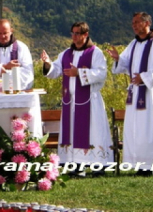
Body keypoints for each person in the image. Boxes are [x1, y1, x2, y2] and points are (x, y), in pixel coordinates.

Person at [108, 12, 153, 176]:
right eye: (132, 22)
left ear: (146, 23)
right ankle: (143, 166)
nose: (133, 25)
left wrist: (145, 77)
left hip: (152, 92)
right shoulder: (133, 44)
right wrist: (118, 59)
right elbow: (125, 64)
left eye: (136, 22)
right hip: (136, 93)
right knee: (138, 130)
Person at [40, 22, 113, 176]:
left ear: (85, 34)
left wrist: (78, 73)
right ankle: (75, 165)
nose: (74, 36)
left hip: (90, 102)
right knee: (72, 133)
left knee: (93, 132)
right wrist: (47, 64)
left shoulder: (95, 53)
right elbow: (55, 71)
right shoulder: (66, 53)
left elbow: (101, 73)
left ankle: (97, 165)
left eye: (77, 33)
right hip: (71, 103)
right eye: (72, 33)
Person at [0, 19, 34, 90]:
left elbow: (28, 73)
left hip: (18, 93)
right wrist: (5, 67)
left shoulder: (22, 48)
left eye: (5, 33)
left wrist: (3, 72)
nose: (2, 36)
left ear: (11, 31)